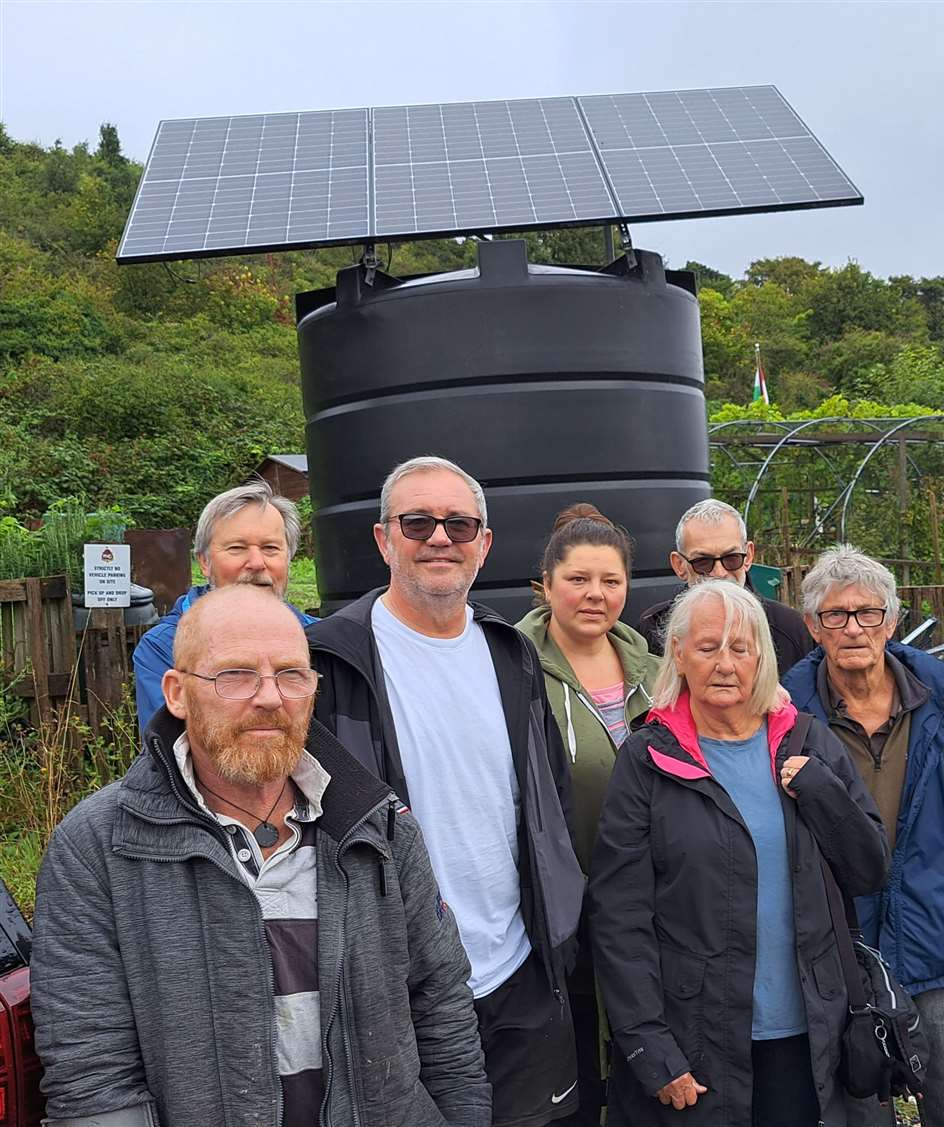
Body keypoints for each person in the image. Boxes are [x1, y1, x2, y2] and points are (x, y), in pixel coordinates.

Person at [32, 584, 491, 1127]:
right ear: (176, 693)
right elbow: (92, 1071)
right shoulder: (99, 847)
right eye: (236, 674)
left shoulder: (378, 826)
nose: (270, 697)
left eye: (292, 674)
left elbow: (440, 1006)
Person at [307, 455, 585, 1127]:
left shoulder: (509, 653)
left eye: (459, 523)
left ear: (484, 543)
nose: (439, 537)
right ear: (383, 538)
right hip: (402, 994)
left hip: (518, 973)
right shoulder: (330, 663)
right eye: (418, 521)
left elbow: (551, 805)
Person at [590, 579, 889, 1127]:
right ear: (678, 654)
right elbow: (619, 917)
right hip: (698, 1039)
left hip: (811, 1030)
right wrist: (649, 1046)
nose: (724, 664)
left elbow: (868, 870)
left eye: (740, 648)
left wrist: (823, 794)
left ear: (762, 659)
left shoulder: (806, 741)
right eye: (707, 648)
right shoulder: (649, 759)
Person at [783, 545, 944, 1127]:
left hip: (934, 940)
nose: (853, 627)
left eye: (868, 613)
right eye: (836, 615)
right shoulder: (786, 717)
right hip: (841, 951)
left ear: (891, 620)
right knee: (859, 1107)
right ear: (813, 626)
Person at [516, 503, 661, 1126]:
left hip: (651, 902)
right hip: (557, 908)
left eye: (611, 581)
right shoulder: (510, 667)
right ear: (545, 586)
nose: (595, 595)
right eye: (578, 579)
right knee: (571, 1058)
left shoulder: (656, 671)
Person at [133, 478, 316, 730]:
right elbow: (170, 751)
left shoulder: (320, 639)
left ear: (289, 560)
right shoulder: (164, 648)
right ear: (205, 562)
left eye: (270, 548)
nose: (256, 562)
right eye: (237, 548)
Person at [637, 498, 813, 674]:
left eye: (731, 559)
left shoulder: (791, 629)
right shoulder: (653, 629)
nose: (719, 572)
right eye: (703, 562)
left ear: (749, 556)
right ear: (679, 565)